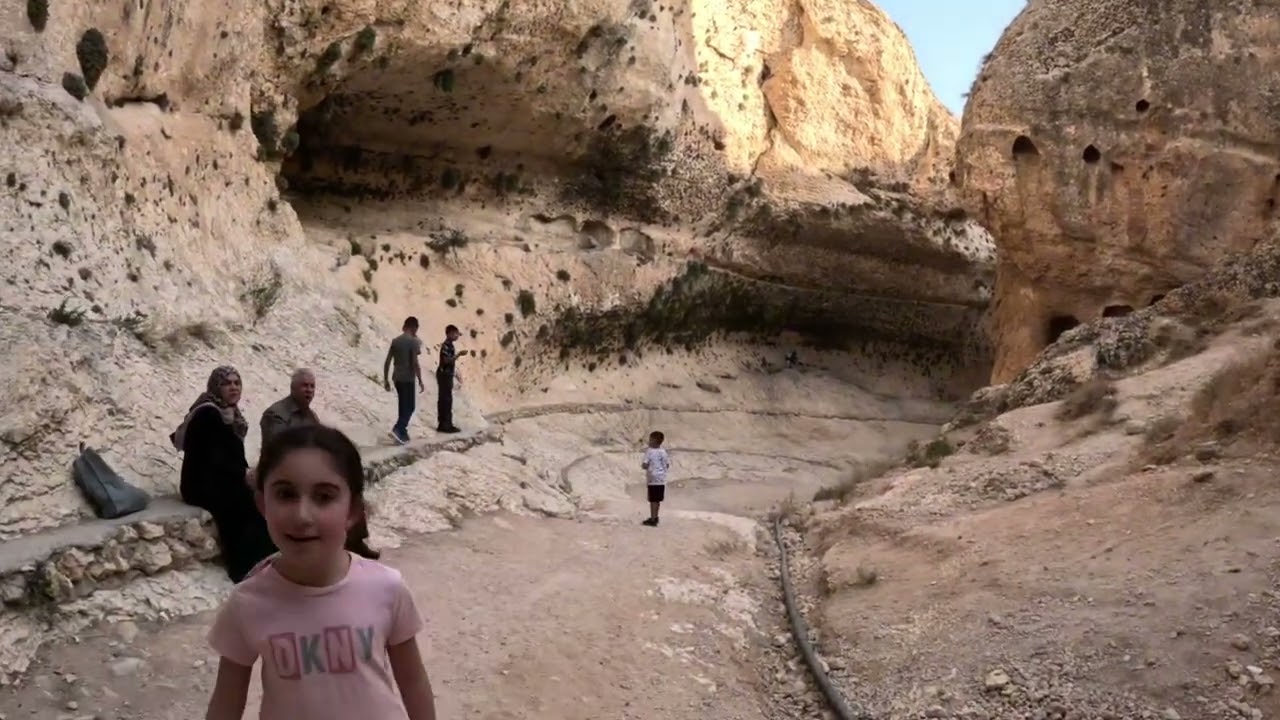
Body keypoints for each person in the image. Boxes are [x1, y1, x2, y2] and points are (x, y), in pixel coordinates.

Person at [202, 424, 438, 720]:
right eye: (286, 494)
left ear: (352, 510)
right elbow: (226, 703)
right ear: (263, 504)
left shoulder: (387, 588)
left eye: (324, 497)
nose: (302, 515)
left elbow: (413, 682)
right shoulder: (247, 603)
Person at [261, 368, 381, 561]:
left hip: (312, 472)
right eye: (304, 386)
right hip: (285, 473)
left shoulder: (310, 415)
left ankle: (355, 542)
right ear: (293, 388)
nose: (308, 390)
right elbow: (277, 451)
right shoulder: (276, 414)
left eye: (312, 386)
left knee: (347, 489)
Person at [171, 365, 277, 583]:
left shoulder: (229, 413)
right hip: (202, 483)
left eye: (237, 383)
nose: (233, 387)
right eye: (227, 383)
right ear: (216, 387)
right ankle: (244, 567)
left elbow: (230, 457)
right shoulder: (208, 413)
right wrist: (243, 474)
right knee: (242, 506)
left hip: (221, 478)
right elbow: (211, 459)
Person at [383, 317, 425, 445]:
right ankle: (397, 429)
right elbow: (414, 362)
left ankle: (403, 433)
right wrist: (420, 380)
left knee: (402, 406)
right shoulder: (413, 341)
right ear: (414, 328)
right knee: (410, 406)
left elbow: (388, 361)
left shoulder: (396, 341)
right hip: (408, 378)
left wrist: (386, 379)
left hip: (396, 377)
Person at [640, 430, 670, 527]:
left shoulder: (649, 451)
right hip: (661, 479)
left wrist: (645, 467)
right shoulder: (663, 451)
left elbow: (645, 464)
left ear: (653, 440)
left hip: (653, 479)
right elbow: (667, 464)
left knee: (652, 500)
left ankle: (653, 519)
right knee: (657, 500)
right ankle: (655, 516)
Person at [435, 325, 462, 434]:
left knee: (446, 399)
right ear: (449, 333)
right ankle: (444, 425)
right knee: (445, 399)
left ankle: (446, 424)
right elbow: (446, 361)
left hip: (447, 374)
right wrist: (458, 356)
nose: (457, 336)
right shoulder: (446, 346)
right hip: (444, 375)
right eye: (455, 333)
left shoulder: (450, 345)